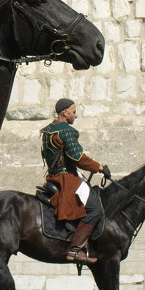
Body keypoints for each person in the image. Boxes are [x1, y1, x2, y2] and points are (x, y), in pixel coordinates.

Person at [40, 98, 111, 264]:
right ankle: (75, 249)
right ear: (65, 112)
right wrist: (99, 167)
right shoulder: (66, 131)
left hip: (53, 175)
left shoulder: (48, 130)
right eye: (74, 111)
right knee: (95, 210)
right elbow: (78, 158)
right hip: (67, 179)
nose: (76, 115)